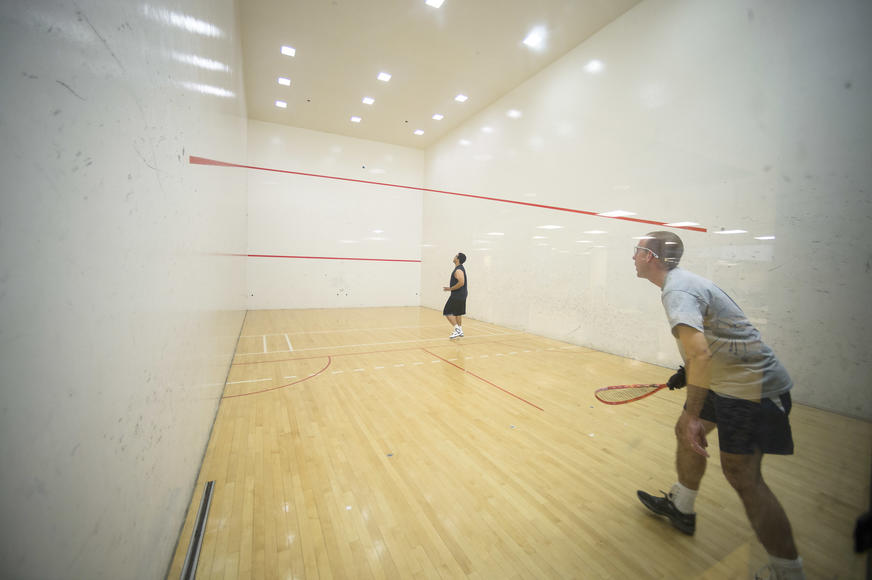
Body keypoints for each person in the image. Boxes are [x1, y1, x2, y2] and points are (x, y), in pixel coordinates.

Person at [632, 231, 805, 580]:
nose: (632, 257)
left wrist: (693, 413)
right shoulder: (681, 284)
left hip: (753, 389)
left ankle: (788, 572)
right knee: (684, 433)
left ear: (650, 257)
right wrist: (687, 372)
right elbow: (714, 338)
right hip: (725, 382)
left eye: (636, 251)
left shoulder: (678, 291)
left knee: (742, 475)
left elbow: (701, 354)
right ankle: (681, 507)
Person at [442, 252, 467, 339]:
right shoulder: (460, 268)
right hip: (461, 294)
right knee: (457, 313)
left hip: (457, 294)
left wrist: (450, 288)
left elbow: (461, 282)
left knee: (447, 312)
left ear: (458, 259)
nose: (454, 257)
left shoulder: (458, 270)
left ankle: (457, 329)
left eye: (456, 256)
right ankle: (460, 330)